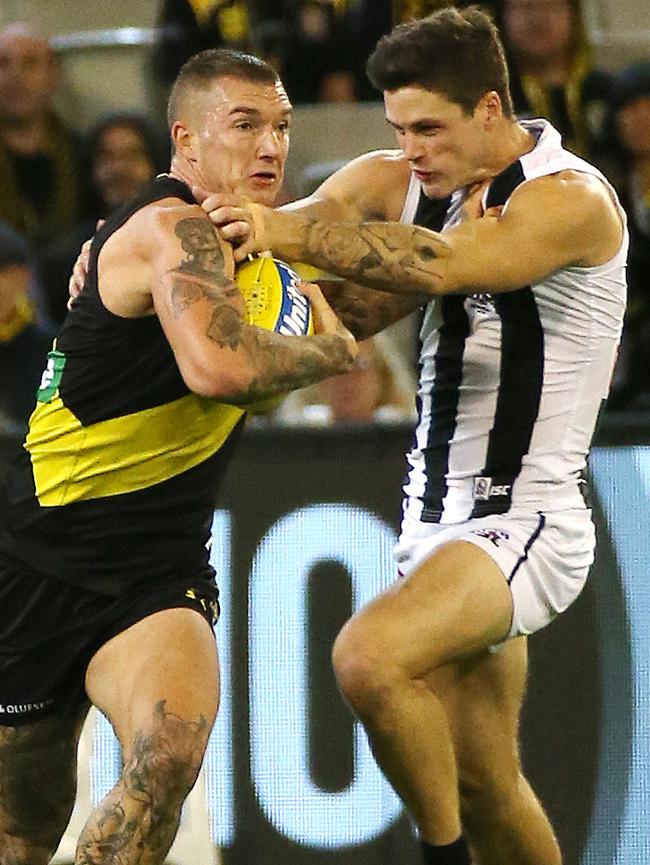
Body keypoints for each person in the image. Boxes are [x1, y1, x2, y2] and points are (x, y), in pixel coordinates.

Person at [200, 7, 627, 864]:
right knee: (490, 782)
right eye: (398, 129)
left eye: (429, 127)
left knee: (365, 657)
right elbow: (304, 233)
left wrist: (282, 233)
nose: (412, 150)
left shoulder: (569, 199)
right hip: (433, 521)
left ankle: (439, 856)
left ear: (493, 110)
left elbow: (446, 264)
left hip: (526, 518)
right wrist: (156, 242)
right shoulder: (407, 178)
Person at [0, 49, 356, 865]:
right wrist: (333, 352)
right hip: (37, 558)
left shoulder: (263, 253)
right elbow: (222, 367)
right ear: (185, 139)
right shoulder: (171, 227)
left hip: (158, 571)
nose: (271, 146)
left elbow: (367, 215)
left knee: (166, 759)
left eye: (282, 126)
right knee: (25, 824)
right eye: (245, 125)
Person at [38, 111, 165, 327]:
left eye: (133, 155)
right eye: (108, 157)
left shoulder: (177, 242)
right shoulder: (60, 260)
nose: (119, 168)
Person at [0, 23, 83, 249]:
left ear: (52, 75)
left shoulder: (83, 154)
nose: (15, 76)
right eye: (3, 63)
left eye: (30, 63)